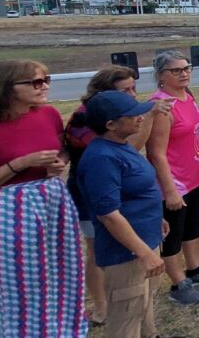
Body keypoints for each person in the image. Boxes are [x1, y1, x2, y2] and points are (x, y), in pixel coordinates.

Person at [0, 61, 86, 337]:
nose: (45, 87)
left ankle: (64, 330)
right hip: (8, 209)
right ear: (6, 88)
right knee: (23, 284)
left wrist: (60, 162)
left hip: (51, 199)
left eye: (46, 79)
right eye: (36, 83)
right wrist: (19, 164)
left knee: (63, 272)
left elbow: (62, 149)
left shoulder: (48, 114)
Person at [64, 65, 169, 325]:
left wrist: (155, 218)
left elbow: (138, 187)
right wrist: (144, 253)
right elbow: (109, 215)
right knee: (127, 311)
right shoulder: (102, 157)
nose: (140, 116)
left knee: (143, 301)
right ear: (110, 123)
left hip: (144, 230)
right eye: (131, 113)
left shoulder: (119, 144)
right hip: (127, 250)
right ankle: (102, 309)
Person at [147, 51, 199, 306]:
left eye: (186, 68)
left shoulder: (187, 97)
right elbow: (156, 153)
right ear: (160, 76)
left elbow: (197, 129)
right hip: (174, 182)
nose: (184, 73)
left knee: (193, 226)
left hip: (195, 175)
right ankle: (178, 282)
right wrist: (169, 190)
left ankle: (195, 268)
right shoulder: (161, 106)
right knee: (173, 234)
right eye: (176, 70)